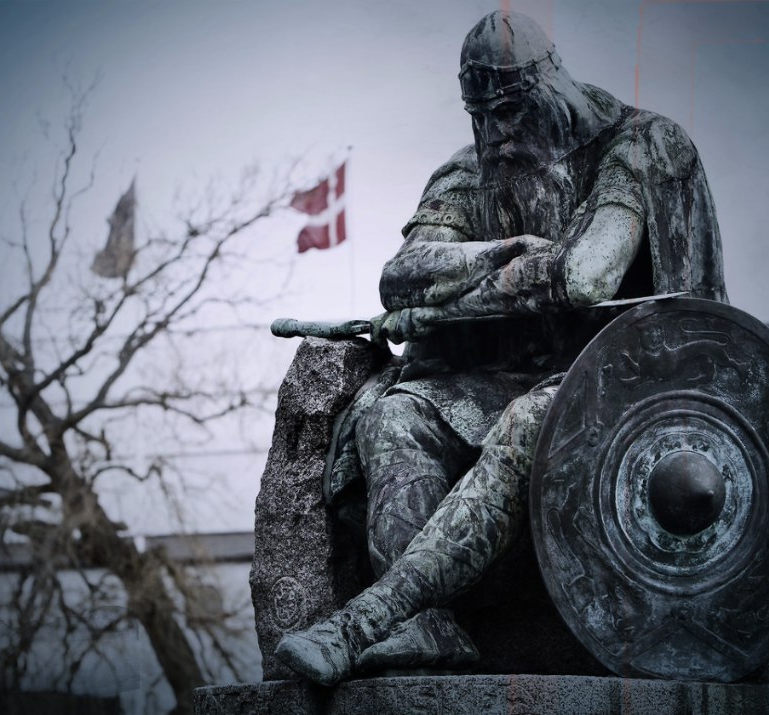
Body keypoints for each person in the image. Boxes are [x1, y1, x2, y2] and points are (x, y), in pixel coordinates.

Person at [276, 10, 727, 686]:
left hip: (638, 388)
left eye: (510, 111)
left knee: (532, 422)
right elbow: (400, 275)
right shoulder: (469, 170)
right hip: (492, 382)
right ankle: (423, 627)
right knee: (393, 413)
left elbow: (588, 274)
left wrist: (462, 289)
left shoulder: (642, 145)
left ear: (552, 85)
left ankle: (365, 620)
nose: (497, 135)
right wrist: (509, 252)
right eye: (480, 116)